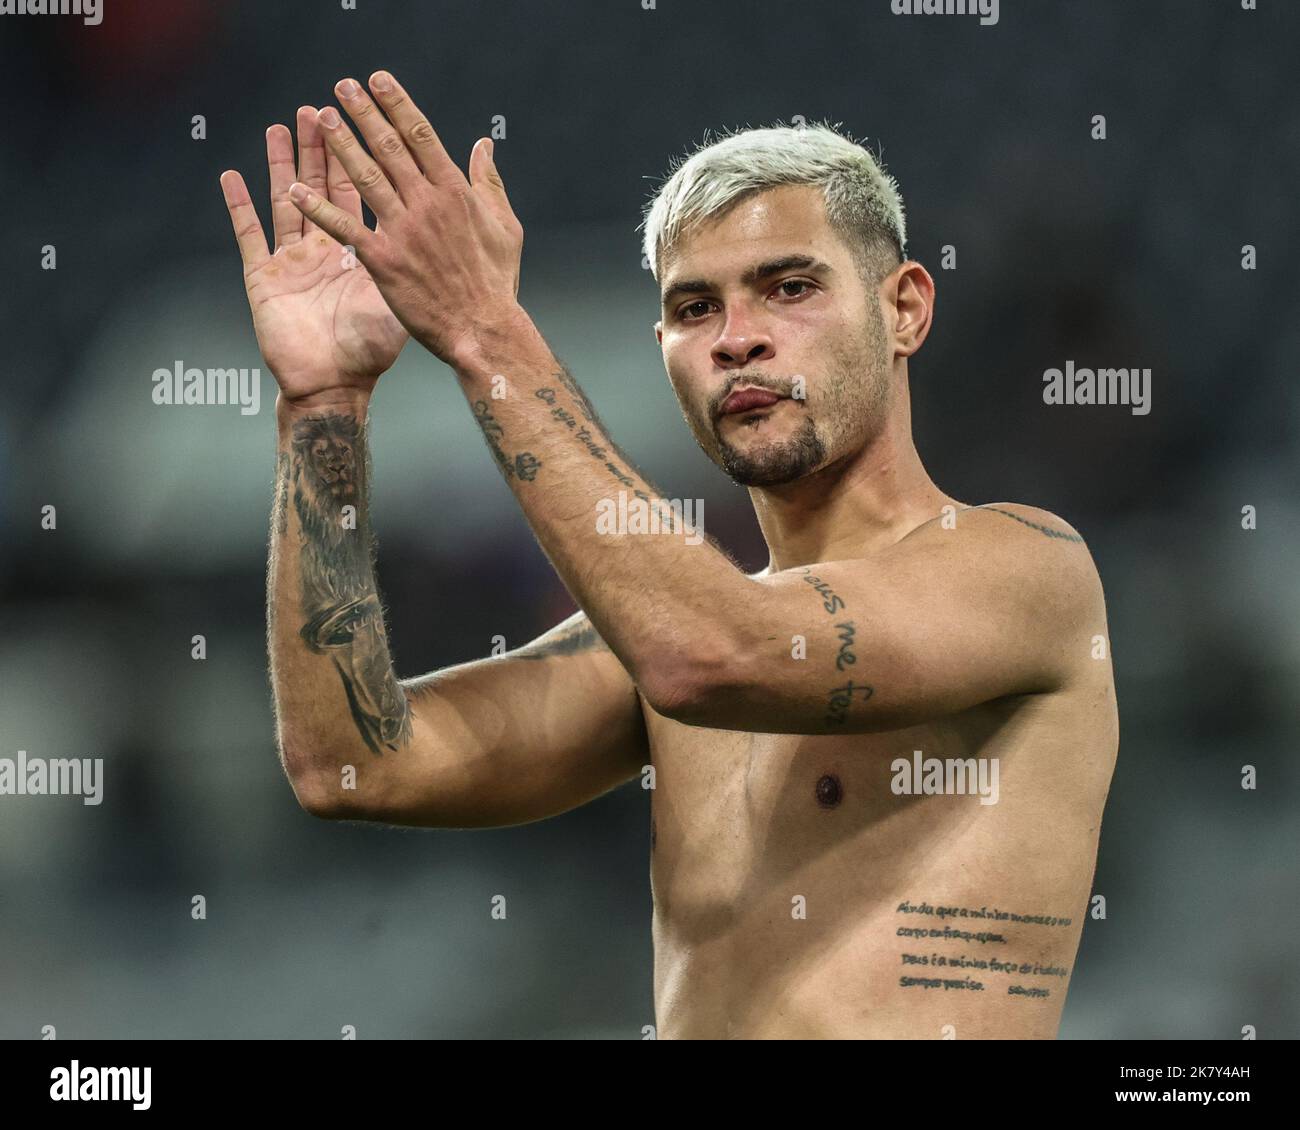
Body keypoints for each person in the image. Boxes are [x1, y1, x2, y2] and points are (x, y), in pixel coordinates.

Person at [219, 70, 1118, 1039]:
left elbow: (710, 652)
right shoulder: (657, 643)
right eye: (694, 309)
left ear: (903, 308)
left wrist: (485, 332)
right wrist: (323, 405)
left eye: (789, 287)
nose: (737, 338)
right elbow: (350, 763)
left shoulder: (1027, 569)